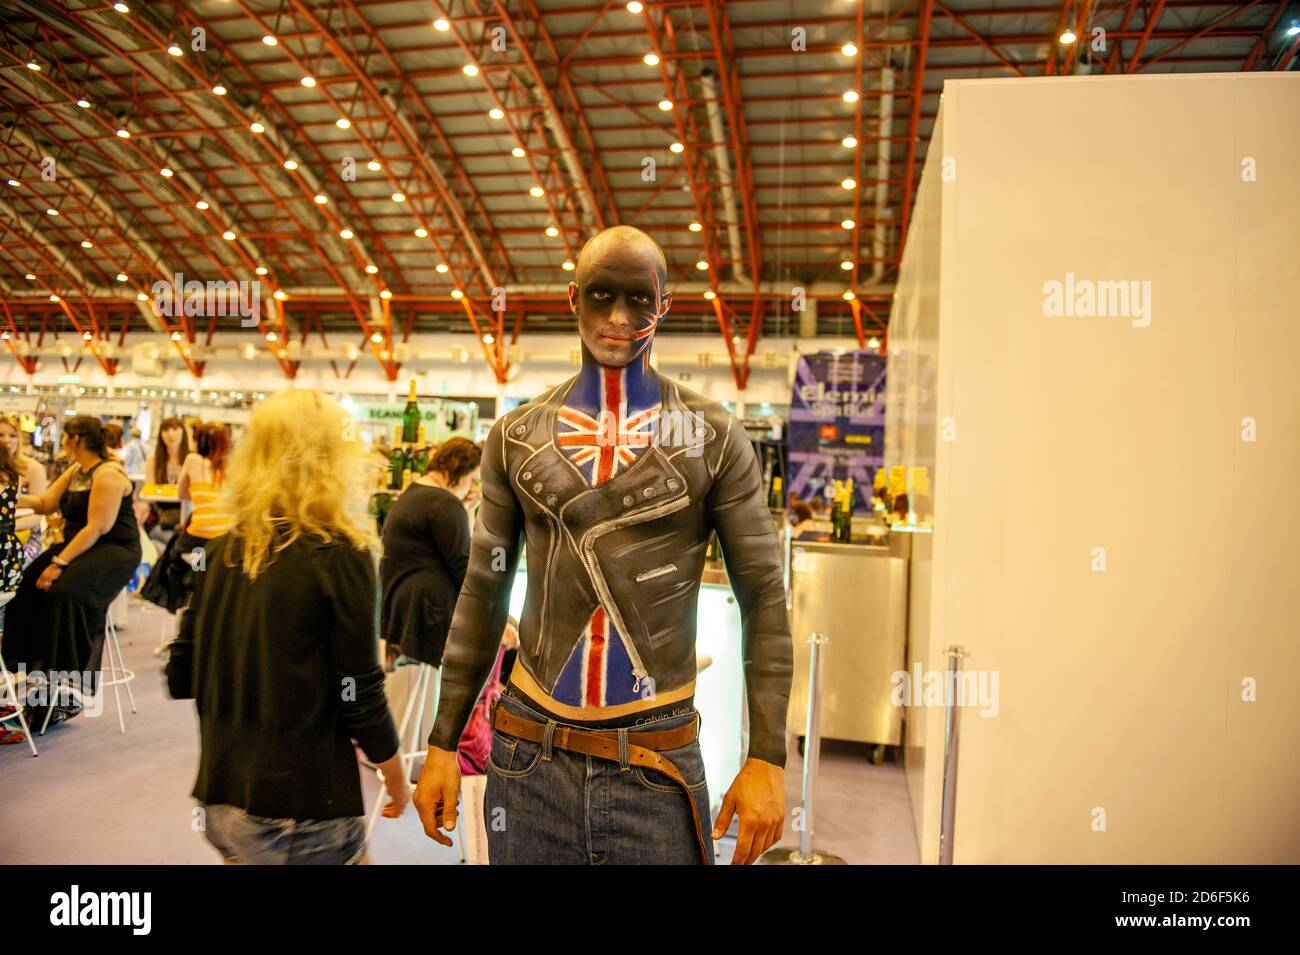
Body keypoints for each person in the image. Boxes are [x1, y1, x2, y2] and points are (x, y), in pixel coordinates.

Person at [413, 225, 793, 865]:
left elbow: (763, 595)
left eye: (639, 299)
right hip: (528, 759)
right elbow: (484, 590)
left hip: (656, 762)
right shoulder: (516, 436)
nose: (618, 317)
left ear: (665, 304)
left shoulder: (714, 437)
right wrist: (444, 742)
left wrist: (768, 756)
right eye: (600, 296)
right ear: (572, 298)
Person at [165, 389, 407, 865]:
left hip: (223, 796)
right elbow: (359, 691)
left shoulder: (218, 553)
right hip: (307, 802)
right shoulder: (342, 555)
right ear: (334, 461)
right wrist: (395, 776)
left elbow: (180, 676)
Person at [5, 417, 141, 731]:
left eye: (64, 437)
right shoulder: (75, 470)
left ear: (76, 439)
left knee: (64, 596)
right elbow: (43, 503)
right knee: (26, 588)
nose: (62, 441)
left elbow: (98, 528)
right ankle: (26, 672)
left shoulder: (108, 474)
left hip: (113, 549)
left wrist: (59, 564)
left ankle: (64, 691)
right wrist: (7, 497)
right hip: (81, 544)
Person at [380, 437, 482, 669]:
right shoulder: (444, 504)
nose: (472, 488)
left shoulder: (415, 494)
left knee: (404, 700)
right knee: (422, 702)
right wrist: (492, 617)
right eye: (472, 479)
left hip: (403, 618)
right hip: (426, 620)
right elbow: (463, 567)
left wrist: (461, 509)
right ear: (457, 468)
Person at [143, 423, 232, 613]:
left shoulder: (192, 460)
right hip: (223, 539)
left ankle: (180, 603)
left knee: (174, 559)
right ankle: (201, 593)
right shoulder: (229, 466)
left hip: (199, 539)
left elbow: (182, 493)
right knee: (200, 562)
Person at [0, 414, 48, 567]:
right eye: (1, 435)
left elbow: (37, 516)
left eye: (12, 435)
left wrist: (6, 528)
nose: (7, 440)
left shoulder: (33, 468)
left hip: (24, 533)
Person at [144, 417, 188, 547]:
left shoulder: (191, 459)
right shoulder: (153, 459)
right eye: (165, 430)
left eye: (175, 429)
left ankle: (197, 567)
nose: (170, 434)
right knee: (175, 543)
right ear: (160, 434)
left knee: (194, 547)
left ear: (183, 432)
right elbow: (149, 491)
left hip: (185, 515)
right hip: (159, 516)